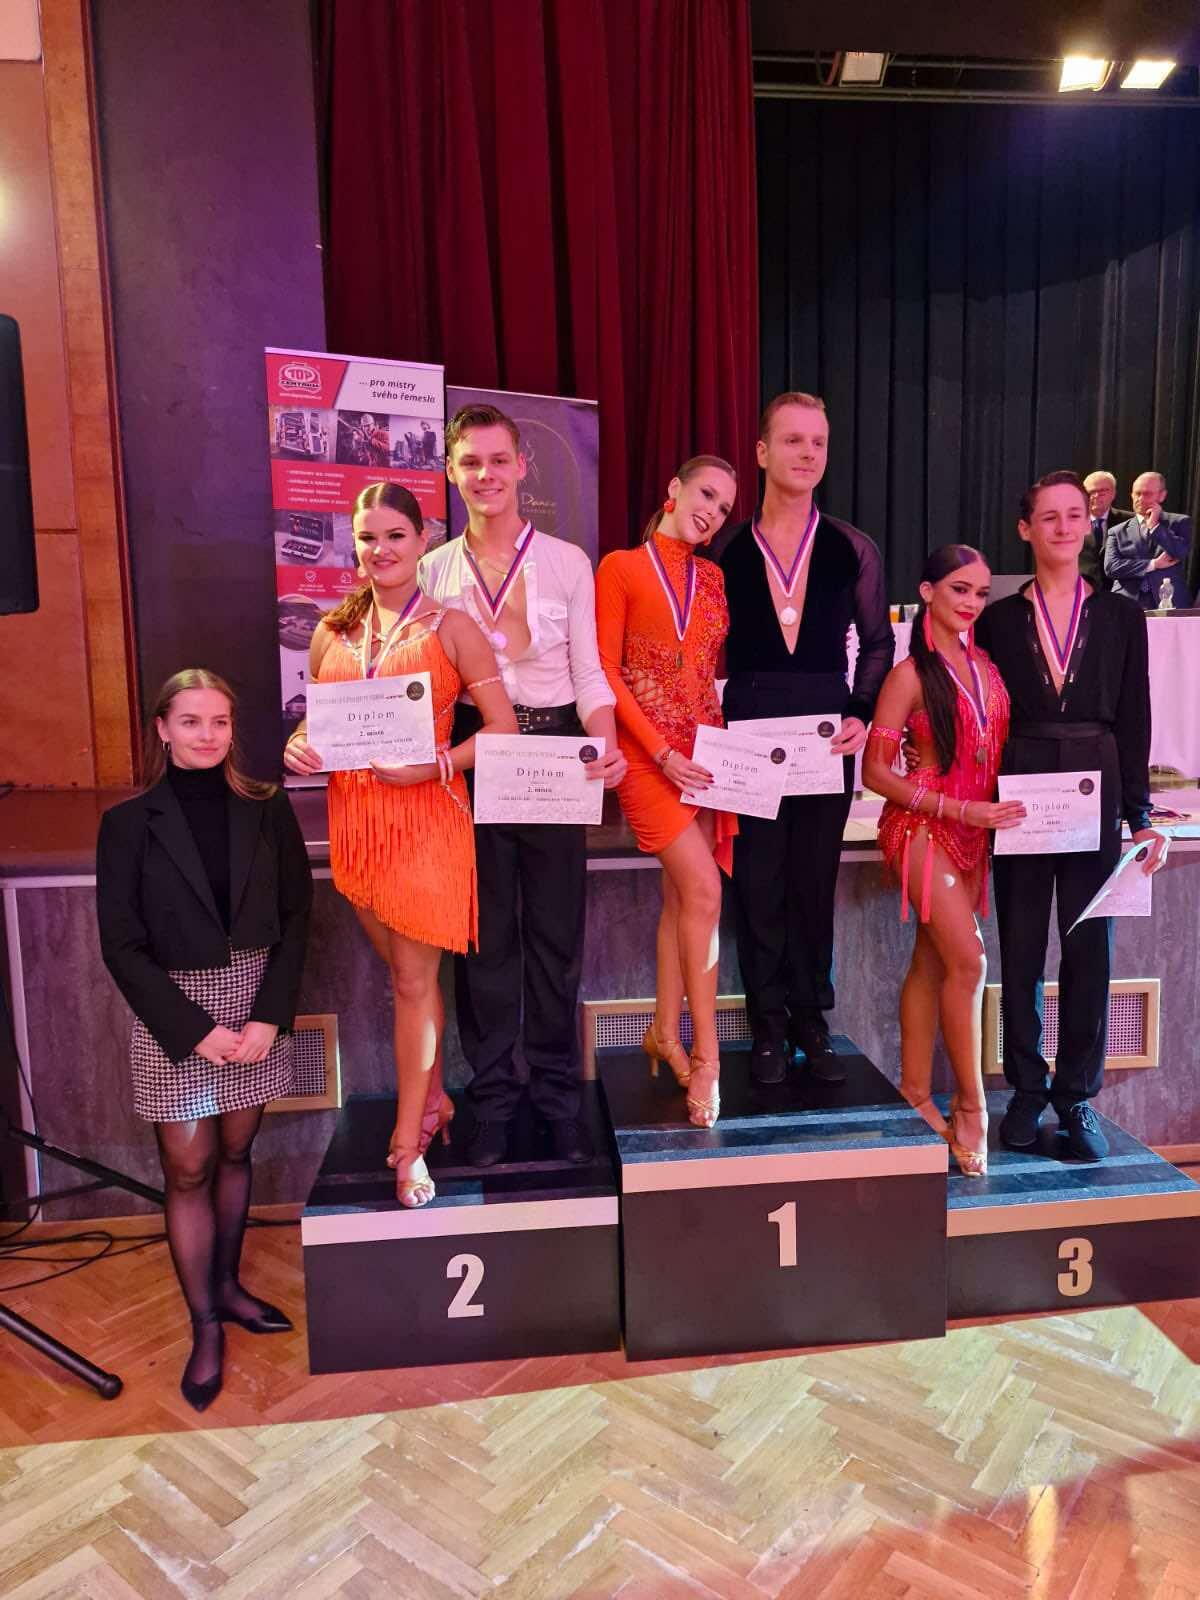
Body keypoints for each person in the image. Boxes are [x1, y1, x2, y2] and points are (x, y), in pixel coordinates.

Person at [284, 482, 516, 1206]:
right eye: (366, 537)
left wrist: (436, 765)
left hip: (428, 823)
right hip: (356, 829)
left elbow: (504, 727)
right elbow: (316, 725)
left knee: (412, 984)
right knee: (406, 978)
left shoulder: (453, 626)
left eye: (394, 535)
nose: (379, 549)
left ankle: (408, 1141)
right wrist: (298, 745)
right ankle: (436, 1101)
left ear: (422, 541)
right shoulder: (331, 632)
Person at [96, 670, 313, 1411]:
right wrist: (195, 1031)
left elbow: (297, 918)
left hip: (253, 1005)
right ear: (162, 729)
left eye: (219, 721)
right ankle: (205, 1324)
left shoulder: (267, 806)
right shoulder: (127, 824)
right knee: (187, 1170)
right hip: (176, 1014)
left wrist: (268, 1017)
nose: (208, 735)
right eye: (191, 721)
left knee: (236, 1153)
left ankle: (227, 1285)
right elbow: (121, 947)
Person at [420, 404, 627, 1167]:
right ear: (451, 472)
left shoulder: (568, 561)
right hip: (473, 754)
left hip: (554, 752)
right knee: (484, 941)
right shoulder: (432, 570)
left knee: (555, 937)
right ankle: (493, 1102)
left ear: (522, 467)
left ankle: (557, 1097)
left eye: (498, 460)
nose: (487, 475)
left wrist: (605, 740)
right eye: (471, 462)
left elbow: (588, 672)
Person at [976, 470, 1168, 1161]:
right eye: (1048, 517)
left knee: (1090, 951)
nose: (1063, 527)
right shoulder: (998, 619)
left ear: (1089, 525)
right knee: (1021, 948)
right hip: (1023, 789)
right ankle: (1026, 1091)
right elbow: (983, 715)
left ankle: (1077, 1096)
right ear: (1025, 529)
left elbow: (1136, 714)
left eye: (1073, 515)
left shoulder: (1120, 616)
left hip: (1097, 784)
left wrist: (1139, 814)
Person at [719, 391, 894, 1086]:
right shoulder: (727, 549)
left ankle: (811, 1021)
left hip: (824, 732)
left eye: (818, 442)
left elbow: (877, 643)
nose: (807, 453)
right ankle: (766, 1026)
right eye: (793, 440)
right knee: (758, 883)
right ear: (762, 452)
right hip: (749, 727)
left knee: (813, 881)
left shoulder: (853, 547)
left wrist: (861, 710)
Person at [863, 547, 1024, 1176]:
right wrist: (958, 809)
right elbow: (876, 772)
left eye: (982, 593)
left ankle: (913, 1089)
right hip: (921, 826)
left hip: (977, 832)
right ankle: (971, 1106)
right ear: (927, 591)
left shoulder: (987, 667)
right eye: (959, 589)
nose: (972, 602)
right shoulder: (908, 675)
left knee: (932, 964)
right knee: (970, 960)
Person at [595, 456, 739, 1128]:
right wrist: (660, 752)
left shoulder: (712, 578)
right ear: (674, 488)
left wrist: (714, 752)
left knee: (682, 898)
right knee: (705, 892)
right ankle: (708, 1058)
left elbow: (703, 673)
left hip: (705, 757)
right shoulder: (620, 568)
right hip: (649, 759)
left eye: (724, 508)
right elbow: (605, 671)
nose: (712, 512)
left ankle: (662, 1030)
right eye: (706, 494)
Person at [1104, 472, 1194, 609]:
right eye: (1137, 493)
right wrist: (1153, 564)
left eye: (1147, 494)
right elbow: (1111, 567)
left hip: (1168, 601)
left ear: (1162, 495)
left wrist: (1154, 526)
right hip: (1126, 603)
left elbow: (1179, 552)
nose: (1140, 498)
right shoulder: (1117, 531)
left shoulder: (1179, 522)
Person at [1080, 471, 1130, 590]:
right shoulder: (1071, 523)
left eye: (1102, 491)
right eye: (1091, 492)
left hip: (1119, 593)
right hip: (1081, 592)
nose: (1096, 496)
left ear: (1113, 494)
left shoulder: (1129, 522)